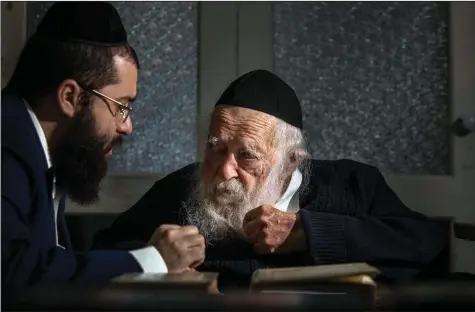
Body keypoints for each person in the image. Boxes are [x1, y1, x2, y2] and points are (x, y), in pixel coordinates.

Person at [93, 69, 448, 290]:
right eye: (216, 148)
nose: (225, 169)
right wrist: (157, 259)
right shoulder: (178, 191)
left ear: (292, 160)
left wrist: (310, 233)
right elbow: (102, 253)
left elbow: (425, 244)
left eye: (247, 154)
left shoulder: (351, 183)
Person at [1, 2, 204, 305]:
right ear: (70, 97)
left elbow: (53, 263)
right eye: (121, 106)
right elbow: (15, 278)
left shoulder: (42, 148)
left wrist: (148, 260)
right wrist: (153, 261)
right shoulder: (7, 145)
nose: (127, 126)